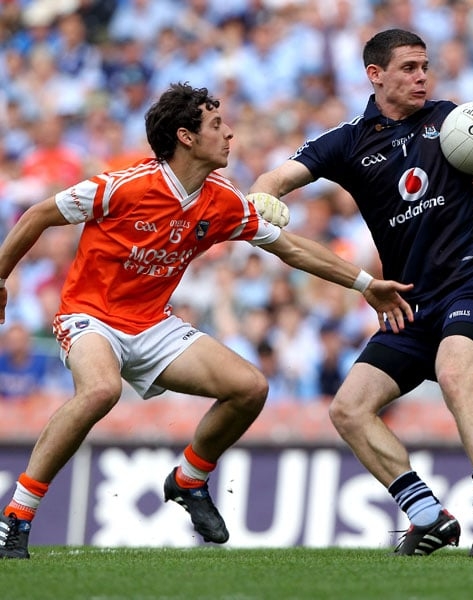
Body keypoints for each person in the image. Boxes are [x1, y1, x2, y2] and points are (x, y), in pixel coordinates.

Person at [0, 82, 415, 560]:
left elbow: (293, 247)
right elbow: (36, 215)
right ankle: (17, 516)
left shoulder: (221, 200)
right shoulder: (122, 186)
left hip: (152, 324)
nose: (230, 133)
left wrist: (366, 285)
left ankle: (189, 480)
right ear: (186, 137)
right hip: (89, 317)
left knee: (250, 388)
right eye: (217, 125)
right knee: (100, 390)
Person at [249, 28, 473, 556]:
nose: (421, 76)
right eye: (408, 68)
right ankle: (427, 515)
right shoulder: (350, 139)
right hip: (406, 300)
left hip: (468, 282)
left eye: (425, 66)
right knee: (349, 409)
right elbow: (273, 176)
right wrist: (264, 198)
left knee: (454, 373)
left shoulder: (455, 121)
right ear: (375, 75)